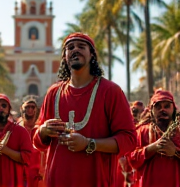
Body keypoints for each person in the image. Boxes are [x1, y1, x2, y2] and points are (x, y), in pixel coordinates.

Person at [33, 32, 137, 187]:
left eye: (81, 46)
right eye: (70, 48)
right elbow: (38, 142)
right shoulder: (53, 93)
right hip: (56, 181)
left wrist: (89, 144)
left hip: (96, 180)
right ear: (65, 57)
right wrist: (43, 131)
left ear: (92, 55)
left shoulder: (110, 91)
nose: (75, 50)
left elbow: (129, 140)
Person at [130, 89, 180, 187]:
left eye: (166, 106)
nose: (163, 110)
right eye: (158, 107)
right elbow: (131, 160)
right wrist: (153, 147)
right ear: (151, 111)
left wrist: (175, 152)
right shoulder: (141, 132)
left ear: (173, 109)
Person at [18, 98, 44, 187]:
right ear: (21, 108)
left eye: (32, 107)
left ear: (36, 110)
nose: (30, 110)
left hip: (39, 177)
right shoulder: (15, 130)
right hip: (20, 177)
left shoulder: (42, 130)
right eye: (27, 107)